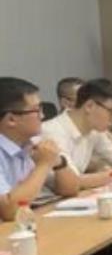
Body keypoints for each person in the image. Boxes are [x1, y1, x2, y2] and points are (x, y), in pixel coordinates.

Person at [41, 78, 112, 193]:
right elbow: (74, 181)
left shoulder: (94, 130)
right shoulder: (53, 132)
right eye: (111, 112)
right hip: (48, 199)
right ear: (89, 106)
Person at [0, 77, 77, 220]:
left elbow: (71, 189)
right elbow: (10, 211)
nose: (43, 115)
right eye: (36, 110)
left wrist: (59, 162)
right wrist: (43, 165)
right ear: (11, 119)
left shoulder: (30, 143)